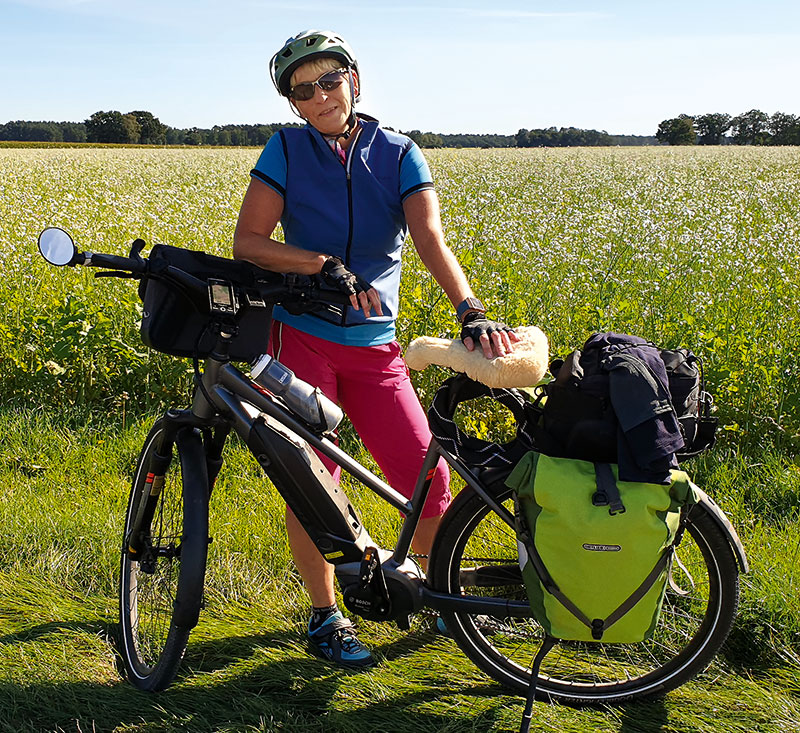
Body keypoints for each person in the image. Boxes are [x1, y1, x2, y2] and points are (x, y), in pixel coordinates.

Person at [233, 29, 518, 670]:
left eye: (329, 80)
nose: (320, 95)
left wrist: (468, 308)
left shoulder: (398, 153)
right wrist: (320, 265)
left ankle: (431, 592)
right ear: (294, 105)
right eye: (303, 90)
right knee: (314, 482)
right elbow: (249, 242)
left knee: (428, 477)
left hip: (375, 345)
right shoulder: (285, 151)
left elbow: (429, 238)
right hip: (301, 337)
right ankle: (325, 616)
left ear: (353, 82)